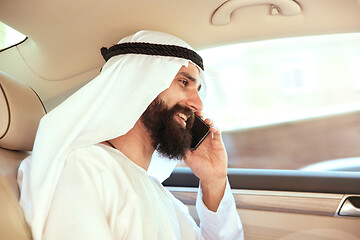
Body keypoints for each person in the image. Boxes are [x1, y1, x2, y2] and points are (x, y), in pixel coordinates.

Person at [17, 30, 244, 240]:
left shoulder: (161, 196)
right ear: (137, 84)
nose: (198, 104)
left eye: (198, 90)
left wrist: (213, 180)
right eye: (183, 82)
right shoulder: (82, 167)